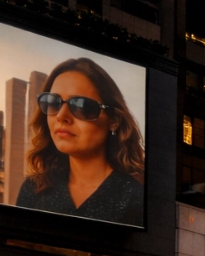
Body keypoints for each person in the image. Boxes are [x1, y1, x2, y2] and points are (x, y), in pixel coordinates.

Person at [17, 58, 145, 226]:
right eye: (52, 102)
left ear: (113, 119)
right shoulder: (33, 190)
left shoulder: (137, 197)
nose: (61, 116)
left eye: (81, 106)